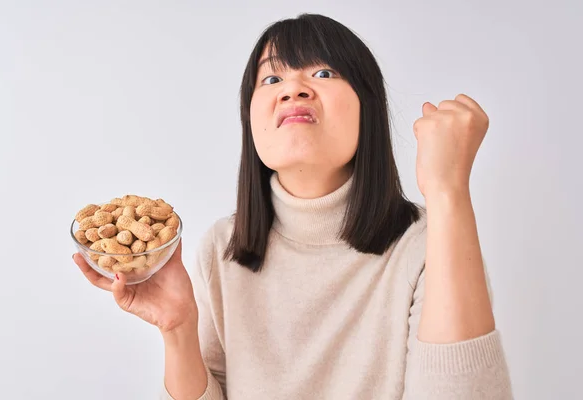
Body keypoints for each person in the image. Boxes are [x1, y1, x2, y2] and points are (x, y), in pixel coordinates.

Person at [73, 13, 513, 400]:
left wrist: (448, 192)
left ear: (369, 107)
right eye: (272, 78)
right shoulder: (220, 249)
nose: (293, 90)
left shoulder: (429, 245)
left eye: (323, 73)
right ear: (251, 117)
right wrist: (178, 331)